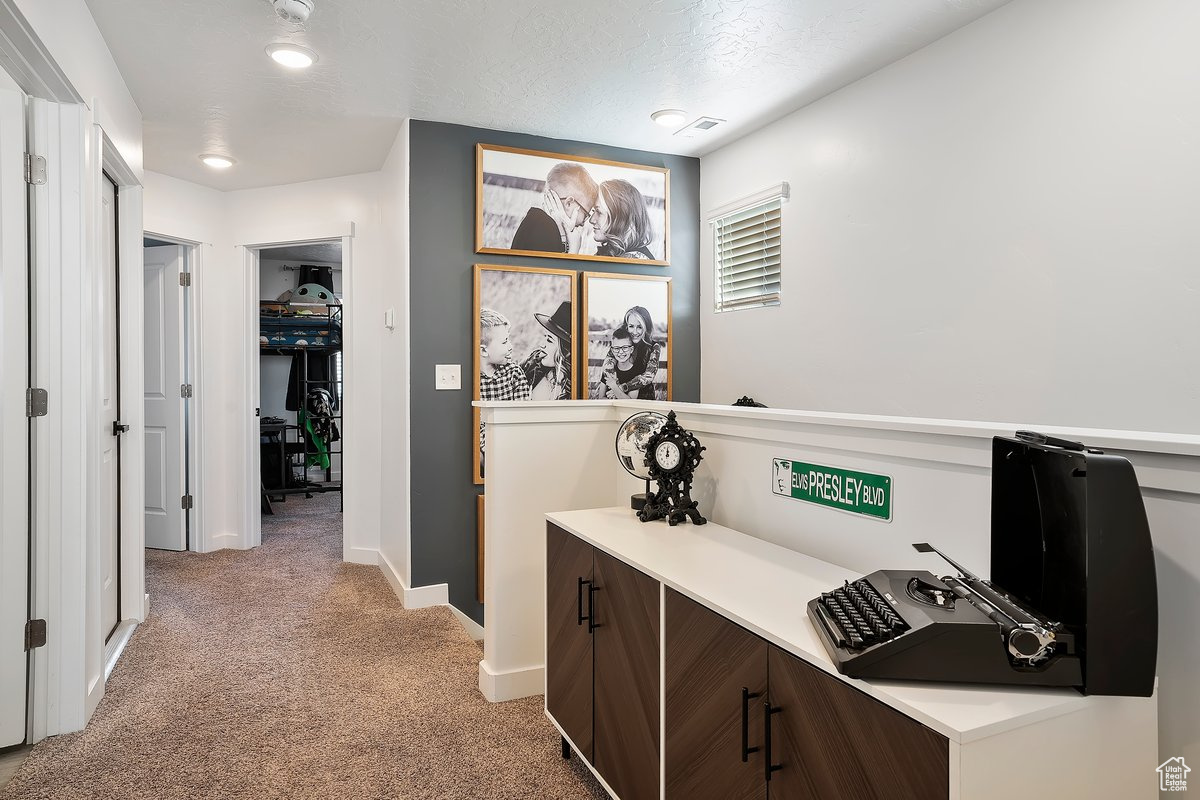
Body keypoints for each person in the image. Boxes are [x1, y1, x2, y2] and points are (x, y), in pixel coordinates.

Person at [477, 308, 531, 478]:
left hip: (510, 444)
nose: (510, 347)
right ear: (484, 350)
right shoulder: (471, 381)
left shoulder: (514, 373)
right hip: (481, 450)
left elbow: (522, 418)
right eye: (504, 342)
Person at [511, 162, 598, 254]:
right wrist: (573, 251)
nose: (583, 223)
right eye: (585, 215)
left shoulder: (537, 222)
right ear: (568, 203)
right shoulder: (545, 229)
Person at [600, 305, 662, 399]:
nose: (635, 332)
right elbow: (608, 366)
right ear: (626, 326)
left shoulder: (654, 347)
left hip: (645, 399)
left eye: (640, 327)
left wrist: (621, 388)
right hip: (619, 398)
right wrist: (615, 391)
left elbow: (648, 376)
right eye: (631, 326)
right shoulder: (621, 343)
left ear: (646, 327)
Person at [589, 179, 655, 260]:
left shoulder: (634, 261)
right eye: (593, 211)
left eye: (599, 212)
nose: (591, 220)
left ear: (621, 217)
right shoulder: (615, 252)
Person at [521, 301, 573, 400]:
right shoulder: (532, 362)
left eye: (549, 340)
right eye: (544, 337)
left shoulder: (573, 387)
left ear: (566, 351)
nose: (541, 345)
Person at [599, 326, 654, 400]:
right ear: (612, 350)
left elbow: (630, 401)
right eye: (616, 348)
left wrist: (614, 387)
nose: (621, 352)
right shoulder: (609, 369)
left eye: (625, 347)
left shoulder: (636, 372)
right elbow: (601, 397)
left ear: (631, 349)